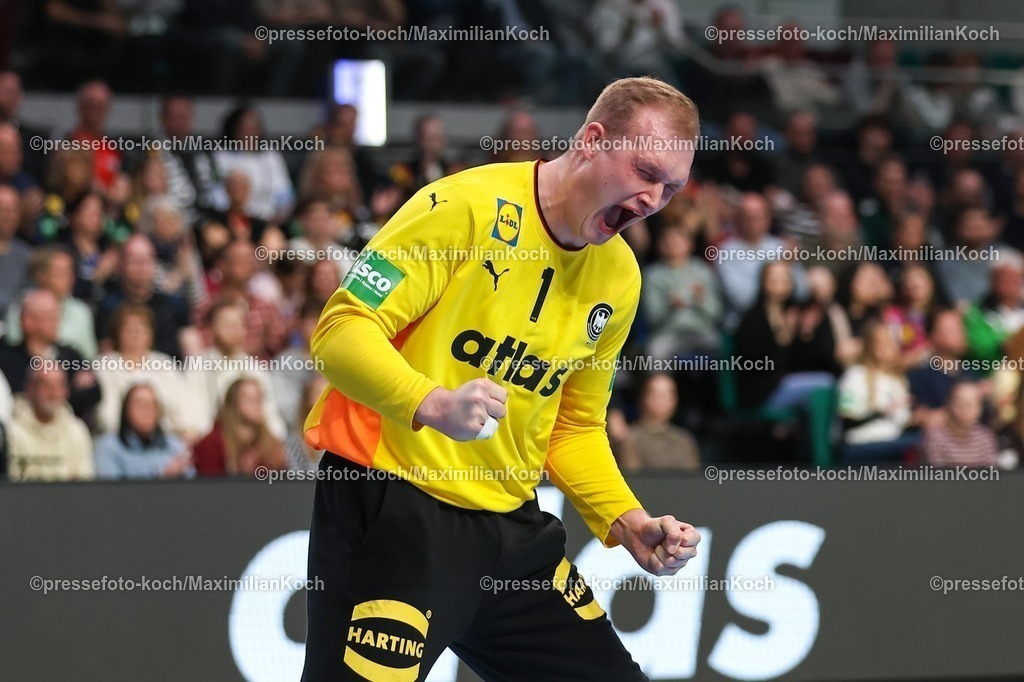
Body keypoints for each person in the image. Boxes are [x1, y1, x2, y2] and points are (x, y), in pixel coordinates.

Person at [301, 77, 701, 681]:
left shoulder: (619, 275)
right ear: (592, 140)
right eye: (645, 171)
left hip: (512, 530)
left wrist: (628, 520)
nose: (653, 199)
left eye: (670, 188)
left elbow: (573, 426)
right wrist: (430, 402)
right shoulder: (462, 207)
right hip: (394, 511)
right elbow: (340, 331)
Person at [8, 366, 93, 481]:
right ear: (30, 388)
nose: (53, 393)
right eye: (45, 385)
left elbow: (84, 482)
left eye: (59, 386)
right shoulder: (12, 432)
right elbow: (13, 482)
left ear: (67, 391)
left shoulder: (77, 430)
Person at [94, 383, 193, 479]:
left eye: (152, 405)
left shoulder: (175, 447)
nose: (147, 410)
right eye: (140, 404)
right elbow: (110, 493)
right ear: (126, 410)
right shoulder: (108, 448)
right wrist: (163, 480)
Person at [192, 377, 286, 476]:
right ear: (234, 403)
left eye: (260, 398)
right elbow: (209, 487)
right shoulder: (211, 445)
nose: (257, 405)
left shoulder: (270, 444)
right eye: (250, 399)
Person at [622, 373, 700, 472]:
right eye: (655, 394)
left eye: (667, 395)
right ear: (643, 398)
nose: (661, 400)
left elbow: (694, 481)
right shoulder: (629, 438)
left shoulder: (685, 440)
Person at [922, 382, 999, 468]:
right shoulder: (936, 438)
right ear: (949, 405)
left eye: (971, 404)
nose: (965, 409)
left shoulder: (986, 438)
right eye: (960, 403)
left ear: (980, 408)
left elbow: (991, 475)